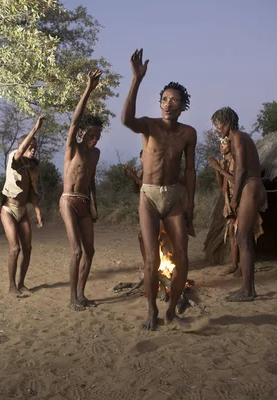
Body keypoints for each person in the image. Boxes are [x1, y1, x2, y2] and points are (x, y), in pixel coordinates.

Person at [122, 49, 197, 330]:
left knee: (182, 257)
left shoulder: (188, 133)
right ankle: (152, 310)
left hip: (175, 196)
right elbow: (126, 120)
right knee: (152, 258)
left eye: (174, 101)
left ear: (182, 106)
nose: (168, 104)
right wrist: (136, 79)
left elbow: (189, 170)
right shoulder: (148, 126)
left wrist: (190, 203)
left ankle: (172, 312)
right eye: (165, 99)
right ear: (160, 102)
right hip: (149, 195)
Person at [211, 107, 267, 302]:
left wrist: (235, 198)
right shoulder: (238, 139)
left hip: (250, 187)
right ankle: (248, 288)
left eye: (217, 125)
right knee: (243, 238)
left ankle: (247, 290)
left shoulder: (238, 138)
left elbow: (242, 169)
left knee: (243, 237)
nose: (217, 130)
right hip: (250, 187)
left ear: (226, 123)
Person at [60, 70, 103, 311]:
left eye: (98, 136)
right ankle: (71, 299)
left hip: (85, 202)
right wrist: (89, 89)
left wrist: (94, 204)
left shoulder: (95, 154)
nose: (95, 139)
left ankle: (81, 294)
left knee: (90, 251)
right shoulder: (72, 148)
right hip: (68, 200)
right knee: (76, 251)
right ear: (81, 133)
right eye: (91, 134)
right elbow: (75, 120)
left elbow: (92, 179)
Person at [0, 115, 45, 298]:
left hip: (23, 212)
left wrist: (37, 212)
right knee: (15, 249)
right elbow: (19, 151)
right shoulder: (15, 158)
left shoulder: (31, 167)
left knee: (28, 249)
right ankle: (12, 287)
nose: (32, 150)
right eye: (30, 146)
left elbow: (32, 193)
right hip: (9, 210)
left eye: (34, 147)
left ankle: (21, 283)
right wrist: (35, 128)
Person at [207, 137, 241, 276]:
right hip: (229, 201)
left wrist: (220, 169)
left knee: (241, 233)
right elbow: (221, 185)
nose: (221, 146)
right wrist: (217, 169)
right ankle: (234, 264)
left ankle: (243, 266)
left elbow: (236, 181)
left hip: (240, 200)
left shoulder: (237, 160)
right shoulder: (223, 162)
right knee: (232, 232)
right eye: (220, 143)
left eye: (224, 143)